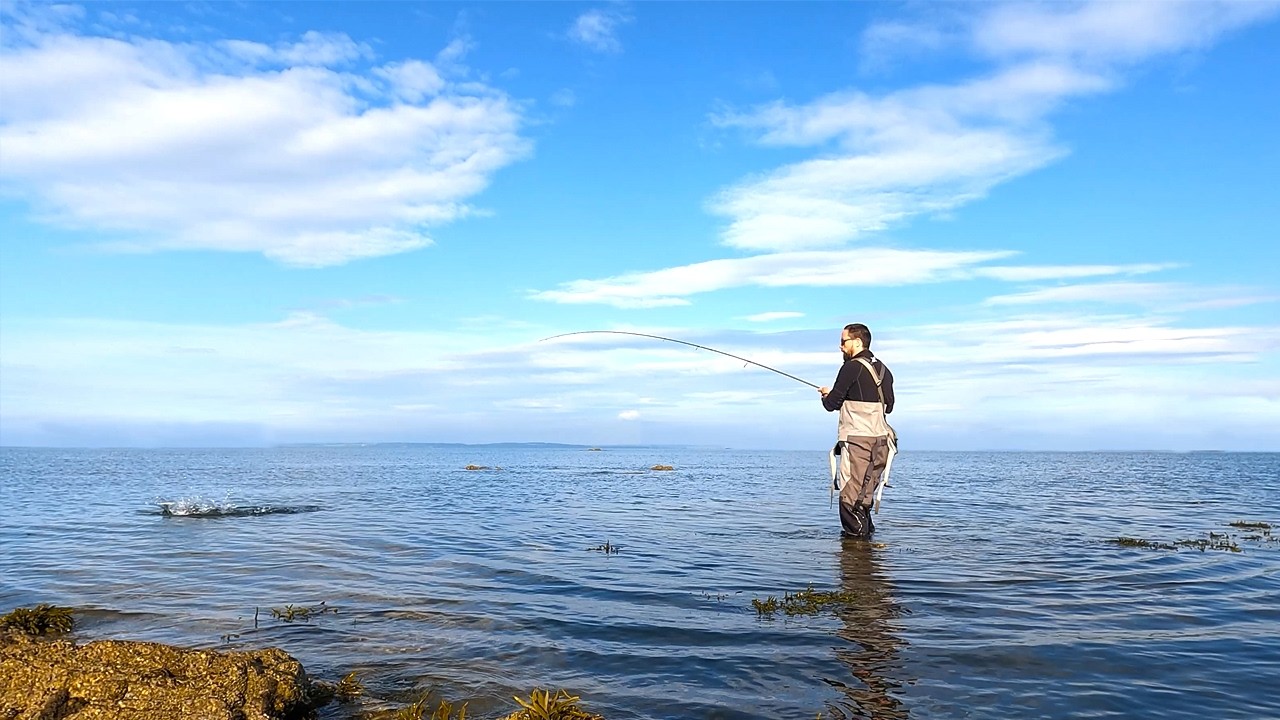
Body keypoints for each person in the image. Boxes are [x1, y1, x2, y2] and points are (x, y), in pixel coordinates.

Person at [819, 323, 895, 537]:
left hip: (857, 442)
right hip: (881, 442)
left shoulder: (851, 367)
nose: (840, 347)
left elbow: (832, 404)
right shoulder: (883, 369)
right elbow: (889, 405)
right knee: (864, 498)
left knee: (850, 501)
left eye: (843, 342)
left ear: (858, 342)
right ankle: (869, 558)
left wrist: (827, 395)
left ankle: (856, 560)